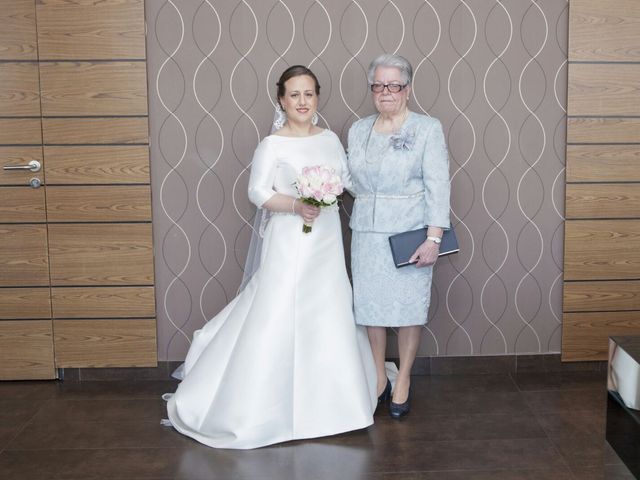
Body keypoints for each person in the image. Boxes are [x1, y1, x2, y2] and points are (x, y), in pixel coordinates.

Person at [164, 65, 377, 449]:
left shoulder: (330, 139)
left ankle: (333, 404)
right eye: (294, 94)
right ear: (281, 99)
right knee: (279, 309)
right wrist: (297, 204)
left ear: (317, 97)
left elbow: (345, 179)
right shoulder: (272, 144)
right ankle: (264, 407)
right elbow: (258, 193)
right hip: (290, 238)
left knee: (327, 308)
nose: (302, 102)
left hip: (325, 239)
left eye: (309, 94)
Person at [346, 54, 450, 418]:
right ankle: (378, 377)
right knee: (371, 310)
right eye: (378, 85)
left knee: (408, 310)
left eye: (393, 85)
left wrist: (434, 238)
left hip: (410, 234)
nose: (385, 92)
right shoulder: (358, 129)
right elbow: (350, 180)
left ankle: (403, 377)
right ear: (372, 89)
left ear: (407, 89)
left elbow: (439, 186)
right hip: (367, 233)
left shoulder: (427, 128)